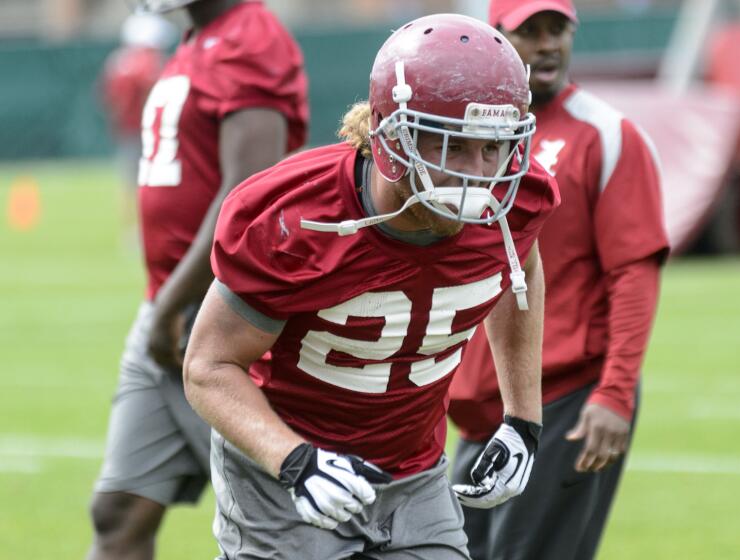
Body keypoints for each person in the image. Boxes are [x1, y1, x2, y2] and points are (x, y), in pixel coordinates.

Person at [182, 13, 560, 559]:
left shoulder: (514, 201)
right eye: (452, 148)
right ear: (393, 137)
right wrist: (294, 461)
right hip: (286, 476)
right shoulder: (297, 219)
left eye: (493, 147)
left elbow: (517, 268)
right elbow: (208, 367)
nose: (479, 177)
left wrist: (523, 419)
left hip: (414, 473)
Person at [448, 1, 670, 559]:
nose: (546, 44)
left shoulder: (607, 134)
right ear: (494, 40)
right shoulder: (465, 137)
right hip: (482, 406)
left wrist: (615, 393)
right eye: (529, 32)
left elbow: (634, 271)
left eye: (557, 30)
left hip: (567, 396)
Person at [87, 1, 309, 558]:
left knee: (288, 530)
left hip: (223, 318)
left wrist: (171, 307)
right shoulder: (198, 36)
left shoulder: (249, 37)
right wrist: (162, 307)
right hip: (166, 310)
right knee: (119, 511)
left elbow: (248, 198)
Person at [99, 10, 175, 246]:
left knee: (129, 183)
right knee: (153, 182)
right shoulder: (149, 62)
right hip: (149, 130)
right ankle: (146, 229)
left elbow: (108, 98)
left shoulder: (117, 62)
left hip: (128, 129)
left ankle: (132, 230)